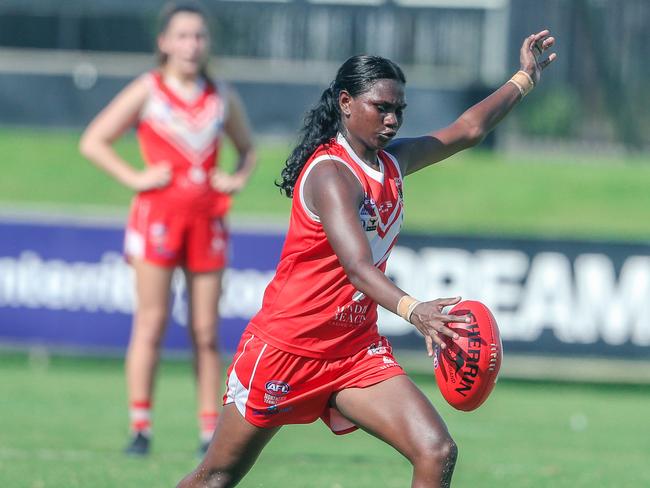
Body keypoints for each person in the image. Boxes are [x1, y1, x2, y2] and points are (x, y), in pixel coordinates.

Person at [177, 29, 556, 487]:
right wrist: (414, 310)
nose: (393, 120)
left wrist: (524, 78)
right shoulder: (331, 174)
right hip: (288, 347)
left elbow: (467, 130)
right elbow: (356, 267)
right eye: (382, 107)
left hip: (353, 350)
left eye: (399, 110)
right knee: (216, 476)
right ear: (345, 103)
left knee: (436, 450)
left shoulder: (390, 162)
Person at [79, 1, 256, 456]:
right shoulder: (148, 90)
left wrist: (234, 178)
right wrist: (135, 178)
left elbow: (247, 149)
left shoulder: (220, 94)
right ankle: (141, 427)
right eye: (182, 36)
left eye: (199, 36)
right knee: (152, 322)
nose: (191, 45)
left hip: (208, 221)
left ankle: (208, 432)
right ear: (164, 42)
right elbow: (94, 140)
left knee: (205, 330)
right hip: (157, 219)